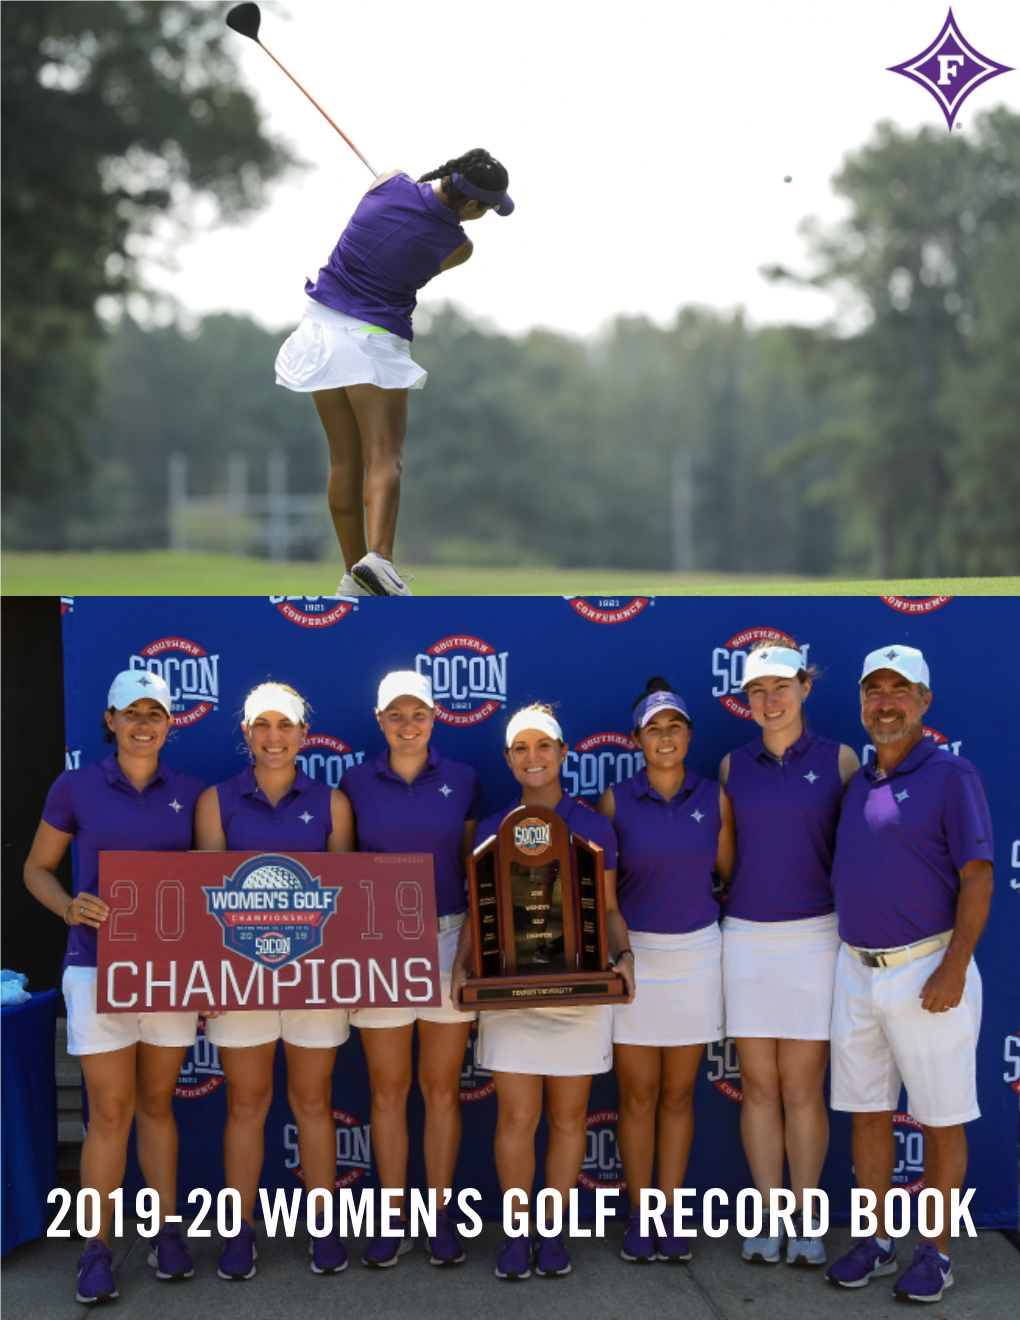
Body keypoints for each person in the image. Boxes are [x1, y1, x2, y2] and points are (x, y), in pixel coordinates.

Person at [23, 671, 204, 1304]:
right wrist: (69, 906)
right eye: (132, 713)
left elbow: (212, 887)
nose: (144, 723)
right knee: (109, 1111)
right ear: (111, 719)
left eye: (156, 712)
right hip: (96, 968)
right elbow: (37, 869)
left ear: (170, 723)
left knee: (157, 1104)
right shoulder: (75, 785)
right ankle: (95, 1247)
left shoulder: (191, 792)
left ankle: (164, 1230)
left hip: (169, 974)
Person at [824, 645, 993, 1303]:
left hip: (930, 970)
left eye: (900, 691)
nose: (886, 703)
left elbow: (978, 878)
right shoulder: (860, 781)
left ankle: (937, 1252)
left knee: (939, 1119)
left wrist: (954, 967)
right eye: (874, 691)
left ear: (924, 701)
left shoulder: (952, 775)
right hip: (856, 970)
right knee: (868, 1114)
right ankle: (874, 1240)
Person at [274, 148, 513, 597]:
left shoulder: (387, 179)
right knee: (384, 456)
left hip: (319, 328)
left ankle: (354, 575)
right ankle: (379, 561)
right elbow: (429, 243)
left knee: (344, 460)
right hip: (372, 339)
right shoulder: (459, 246)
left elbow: (404, 204)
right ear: (471, 206)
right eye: (487, 210)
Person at [451, 704, 636, 1281]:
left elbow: (606, 910)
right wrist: (460, 971)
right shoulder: (489, 829)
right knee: (516, 1117)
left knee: (569, 1117)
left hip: (578, 993)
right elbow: (477, 916)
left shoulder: (593, 824)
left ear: (562, 753)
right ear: (509, 759)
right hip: (511, 994)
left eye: (544, 746)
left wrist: (625, 958)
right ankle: (515, 1233)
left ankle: (551, 1232)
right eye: (521, 748)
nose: (533, 757)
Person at [194, 682, 355, 1280]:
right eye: (261, 726)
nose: (273, 737)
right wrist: (210, 979)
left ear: (303, 735)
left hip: (314, 978)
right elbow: (207, 902)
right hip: (241, 978)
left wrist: (347, 976)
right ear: (246, 734)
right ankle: (239, 1233)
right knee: (247, 1104)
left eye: (284, 726)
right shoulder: (218, 800)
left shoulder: (333, 802)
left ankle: (323, 1226)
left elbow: (345, 900)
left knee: (313, 1102)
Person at [719, 640, 859, 1266]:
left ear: (805, 686)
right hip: (745, 937)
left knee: (802, 1087)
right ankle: (768, 1215)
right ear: (745, 699)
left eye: (780, 687)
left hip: (814, 937)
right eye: (757, 691)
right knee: (758, 1085)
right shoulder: (731, 766)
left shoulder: (842, 760)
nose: (770, 701)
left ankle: (806, 1219)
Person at [339, 671, 480, 1267]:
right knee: (388, 1089)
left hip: (449, 938)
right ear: (379, 721)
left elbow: (477, 878)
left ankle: (438, 1213)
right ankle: (392, 1215)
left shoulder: (464, 779)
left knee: (441, 1088)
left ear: (435, 716)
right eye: (395, 714)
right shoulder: (352, 782)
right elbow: (342, 879)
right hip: (380, 948)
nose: (407, 724)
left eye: (418, 713)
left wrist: (468, 956)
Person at [597, 679, 735, 1264]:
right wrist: (622, 953)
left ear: (688, 734)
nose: (665, 737)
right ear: (637, 740)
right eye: (654, 728)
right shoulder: (615, 800)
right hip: (637, 957)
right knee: (638, 1095)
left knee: (678, 1096)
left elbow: (728, 872)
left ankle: (668, 1212)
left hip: (698, 954)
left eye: (675, 726)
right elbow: (605, 896)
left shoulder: (715, 796)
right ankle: (638, 1214)